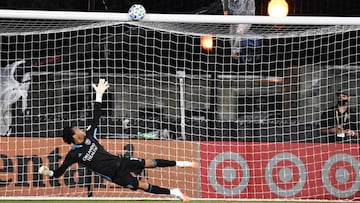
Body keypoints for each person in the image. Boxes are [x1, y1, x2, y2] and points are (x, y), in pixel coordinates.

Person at [38, 79, 197, 202]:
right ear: (74, 136)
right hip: (115, 176)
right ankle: (173, 192)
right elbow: (59, 173)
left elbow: (97, 115)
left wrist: (99, 95)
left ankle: (181, 163)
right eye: (77, 129)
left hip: (121, 162)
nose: (81, 129)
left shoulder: (90, 135)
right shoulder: (73, 155)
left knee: (149, 162)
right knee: (142, 186)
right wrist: (49, 172)